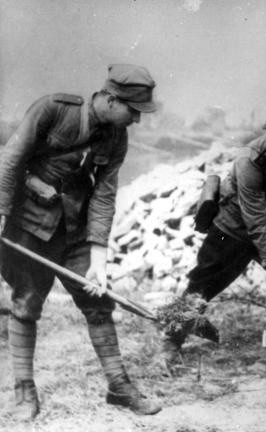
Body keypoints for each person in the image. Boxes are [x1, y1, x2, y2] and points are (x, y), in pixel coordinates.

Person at [0, 64, 162, 420]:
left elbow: (104, 196)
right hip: (29, 225)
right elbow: (11, 159)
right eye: (132, 110)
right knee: (26, 302)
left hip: (74, 229)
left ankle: (118, 386)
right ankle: (24, 392)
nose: (136, 119)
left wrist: (99, 262)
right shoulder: (53, 110)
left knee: (97, 299)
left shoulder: (116, 137)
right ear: (108, 98)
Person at [162, 102, 266, 364]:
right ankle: (171, 341)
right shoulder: (250, 159)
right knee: (202, 283)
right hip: (233, 222)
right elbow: (255, 220)